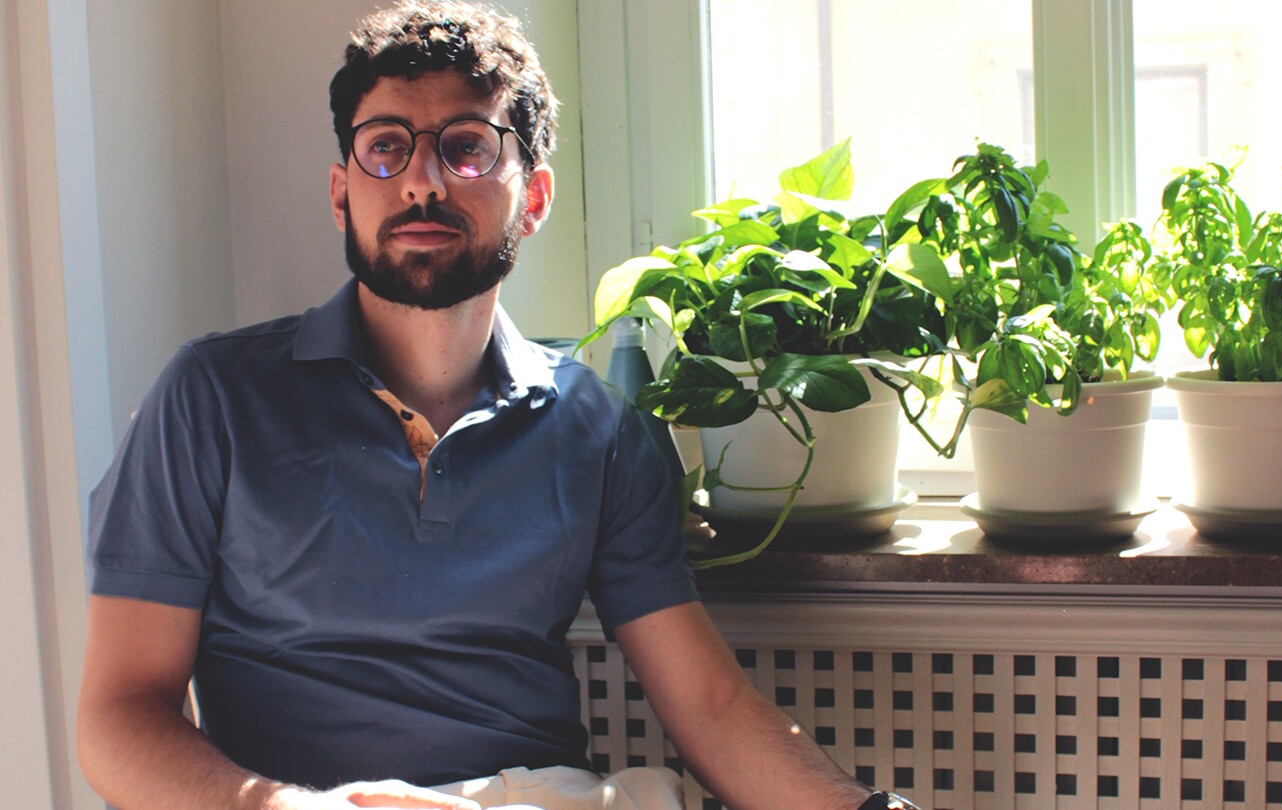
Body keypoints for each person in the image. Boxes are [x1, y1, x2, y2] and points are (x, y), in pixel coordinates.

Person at [75, 2, 920, 809]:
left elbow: (710, 707)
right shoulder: (212, 398)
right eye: (385, 148)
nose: (422, 181)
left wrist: (868, 808)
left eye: (468, 147)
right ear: (341, 193)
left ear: (537, 197)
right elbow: (117, 720)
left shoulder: (600, 429)